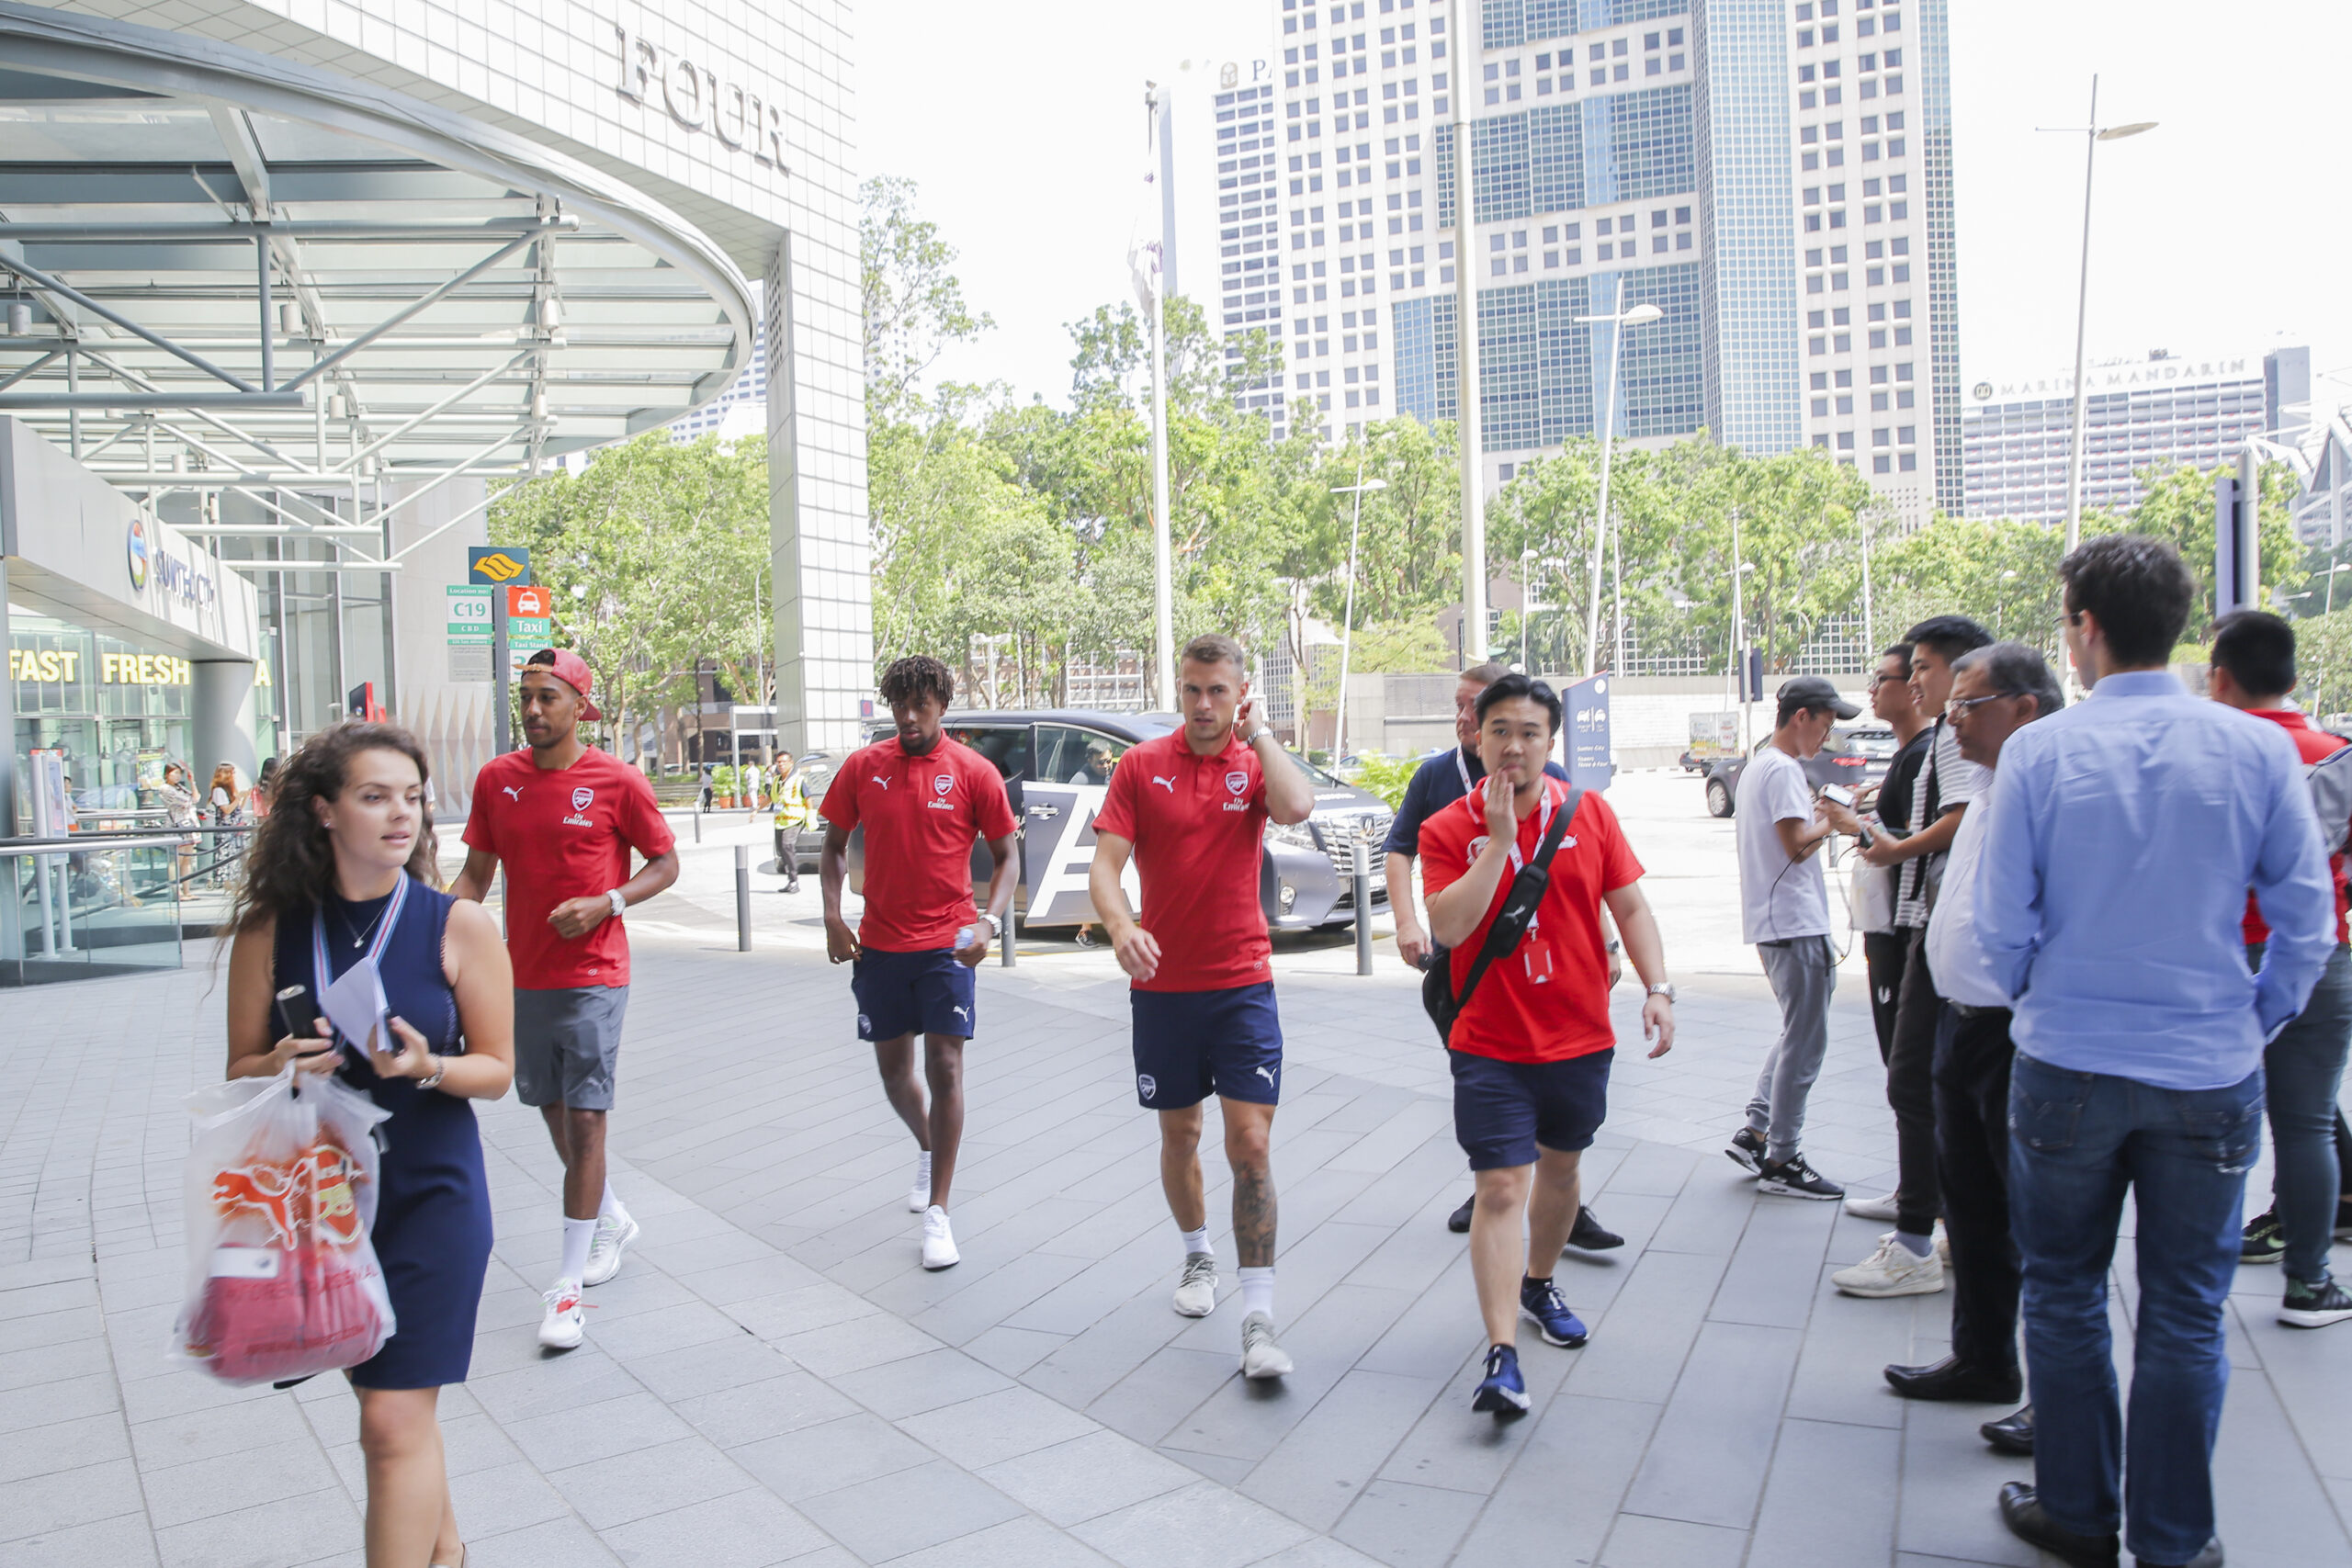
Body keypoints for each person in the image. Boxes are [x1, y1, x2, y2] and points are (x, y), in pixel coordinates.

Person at [1976, 536, 2334, 1568]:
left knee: (2064, 1292)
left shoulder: (2041, 752)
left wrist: (2041, 997)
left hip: (2068, 1062)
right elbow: (2306, 923)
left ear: (2085, 628)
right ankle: (2176, 1541)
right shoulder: (2256, 749)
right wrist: (2254, 1020)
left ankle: (2078, 1516)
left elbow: (1999, 926)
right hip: (2208, 1065)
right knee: (2186, 1312)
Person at [223, 723, 514, 1568]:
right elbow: (239, 1066)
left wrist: (429, 1066)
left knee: (388, 1420)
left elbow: (498, 1069)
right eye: (375, 796)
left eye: (413, 798)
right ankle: (446, 1551)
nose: (402, 814)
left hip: (433, 1194)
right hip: (323, 1202)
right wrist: (278, 1061)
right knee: (393, 1409)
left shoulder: (457, 924)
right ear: (323, 810)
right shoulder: (270, 928)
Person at [1419, 673, 1676, 1417]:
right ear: (1478, 736)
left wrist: (1659, 988)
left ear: (1550, 741)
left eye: (1529, 732)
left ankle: (1539, 1281)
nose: (1514, 745)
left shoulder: (1589, 813)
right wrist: (1498, 843)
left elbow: (1630, 905)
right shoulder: (1448, 827)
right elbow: (1449, 926)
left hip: (1578, 1036)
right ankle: (1502, 1354)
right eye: (1499, 730)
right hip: (1489, 1042)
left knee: (1561, 1171)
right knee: (1501, 1187)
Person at [1088, 633, 1318, 1379]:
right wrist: (1122, 925)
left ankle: (1259, 1319)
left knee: (1250, 1144)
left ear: (1239, 693)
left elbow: (1297, 804)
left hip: (1242, 983)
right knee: (1180, 1134)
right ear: (1179, 690)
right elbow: (1106, 865)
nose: (1203, 703)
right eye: (1192, 689)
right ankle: (1197, 1255)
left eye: (1218, 690)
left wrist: (1262, 733)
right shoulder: (1141, 766)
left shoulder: (1253, 763)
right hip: (1163, 990)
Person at [451, 649, 679, 1351]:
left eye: (547, 696)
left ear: (581, 705)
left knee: (585, 1121)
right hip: (522, 977)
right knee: (552, 1111)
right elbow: (475, 875)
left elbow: (665, 862)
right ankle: (610, 1214)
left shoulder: (618, 780)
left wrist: (609, 901)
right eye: (526, 696)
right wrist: (430, 933)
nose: (532, 709)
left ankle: (568, 1290)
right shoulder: (498, 780)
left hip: (594, 976)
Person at [1879, 643, 2063, 1450]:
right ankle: (1983, 1358)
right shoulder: (1988, 788)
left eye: (1967, 705)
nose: (1952, 720)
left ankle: (2055, 1399)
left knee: (2034, 1216)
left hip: (2015, 1028)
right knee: (1975, 1207)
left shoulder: (2048, 789)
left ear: (2024, 708)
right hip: (1963, 1021)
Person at [1384, 662, 1621, 1247]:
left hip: (1555, 982)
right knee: (1494, 1097)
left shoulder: (1551, 778)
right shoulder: (1437, 777)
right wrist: (1408, 922)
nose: (1465, 717)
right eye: (1462, 707)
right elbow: (1399, 850)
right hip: (1474, 972)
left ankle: (1554, 1203)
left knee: (1556, 1135)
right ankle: (1497, 1182)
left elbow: (1582, 870)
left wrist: (1608, 941)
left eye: (1475, 705)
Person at [820, 656, 1018, 1270]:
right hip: (880, 943)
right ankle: (931, 1148)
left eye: (920, 705)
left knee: (946, 1067)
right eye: (899, 705)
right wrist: (832, 915)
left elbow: (1007, 856)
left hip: (947, 945)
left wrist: (989, 922)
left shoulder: (973, 771)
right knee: (894, 1074)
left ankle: (939, 1213)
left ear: (941, 706)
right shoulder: (863, 767)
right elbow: (832, 846)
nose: (908, 716)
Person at [1836, 615, 1991, 1290]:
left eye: (1921, 666)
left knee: (1914, 1080)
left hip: (1936, 928)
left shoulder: (1954, 736)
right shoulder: (1948, 738)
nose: (1912, 679)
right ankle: (1938, 1221)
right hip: (1929, 923)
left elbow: (1958, 819)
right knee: (1935, 1082)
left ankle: (1916, 1242)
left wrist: (1892, 846)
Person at [2207, 610, 2352, 1328]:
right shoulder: (2338, 754)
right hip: (2319, 954)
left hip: (2218, 956)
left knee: (2213, 1120)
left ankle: (2199, 1277)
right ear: (2294, 675)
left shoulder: (2208, 752)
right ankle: (2309, 1283)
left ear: (2220, 678)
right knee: (2308, 1123)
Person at [1728, 676, 1861, 1200]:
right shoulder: (1782, 769)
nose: (1826, 737)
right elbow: (1797, 846)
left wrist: (1825, 812)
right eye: (1825, 724)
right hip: (1794, 922)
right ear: (1800, 717)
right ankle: (1783, 1156)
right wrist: (1835, 821)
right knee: (1806, 1041)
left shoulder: (1760, 764)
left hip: (1778, 923)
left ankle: (1756, 1130)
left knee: (1796, 1032)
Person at [1859, 644, 1931, 1065]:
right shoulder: (1908, 753)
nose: (1872, 689)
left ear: (1911, 687)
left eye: (1881, 679)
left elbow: (1914, 842)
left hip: (1902, 932)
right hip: (1888, 927)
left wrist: (1855, 826)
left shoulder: (1921, 756)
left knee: (1904, 1060)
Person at [773, 750, 811, 894]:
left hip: (795, 819)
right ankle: (791, 880)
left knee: (787, 846)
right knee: (781, 849)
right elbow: (770, 797)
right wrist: (757, 809)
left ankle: (794, 881)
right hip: (781, 821)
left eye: (784, 762)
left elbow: (808, 798)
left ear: (791, 763)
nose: (781, 765)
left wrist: (810, 815)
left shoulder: (798, 780)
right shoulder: (777, 781)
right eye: (779, 762)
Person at [157, 761, 201, 886]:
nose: (178, 776)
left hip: (189, 825)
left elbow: (196, 798)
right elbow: (185, 801)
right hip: (177, 825)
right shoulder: (165, 788)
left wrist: (192, 782)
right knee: (177, 860)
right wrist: (191, 800)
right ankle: (176, 890)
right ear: (167, 774)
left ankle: (187, 890)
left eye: (179, 774)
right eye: (175, 773)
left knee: (187, 860)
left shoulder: (180, 788)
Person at [209, 761, 246, 886]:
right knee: (225, 856)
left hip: (234, 829)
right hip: (225, 831)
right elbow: (227, 810)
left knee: (236, 856)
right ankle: (226, 882)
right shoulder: (218, 791)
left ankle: (235, 881)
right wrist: (238, 798)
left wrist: (243, 798)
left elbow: (236, 810)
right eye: (232, 773)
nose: (234, 776)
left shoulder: (229, 791)